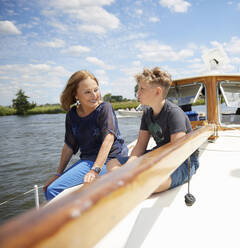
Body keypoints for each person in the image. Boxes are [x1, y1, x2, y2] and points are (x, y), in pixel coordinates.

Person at [107, 67, 199, 193]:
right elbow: (140, 145)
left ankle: (131, 184)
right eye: (138, 89)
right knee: (112, 163)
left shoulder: (174, 113)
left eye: (142, 89)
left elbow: (177, 153)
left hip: (183, 161)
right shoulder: (147, 114)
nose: (137, 93)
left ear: (157, 91)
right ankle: (128, 182)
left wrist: (149, 167)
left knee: (153, 182)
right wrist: (129, 167)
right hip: (159, 154)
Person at [43, 70, 128, 200]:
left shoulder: (105, 108)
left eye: (96, 90)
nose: (94, 95)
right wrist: (58, 173)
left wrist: (95, 170)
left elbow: (108, 139)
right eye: (87, 92)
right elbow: (69, 146)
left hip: (113, 158)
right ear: (76, 95)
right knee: (52, 188)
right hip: (88, 160)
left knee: (54, 190)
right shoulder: (72, 115)